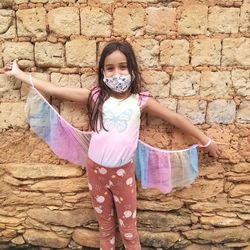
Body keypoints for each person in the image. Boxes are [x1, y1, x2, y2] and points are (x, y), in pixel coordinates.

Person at [4, 41, 222, 250]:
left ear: (132, 70)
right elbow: (55, 90)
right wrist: (19, 74)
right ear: (102, 73)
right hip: (95, 172)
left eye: (122, 67)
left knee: (129, 230)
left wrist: (206, 140)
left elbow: (175, 119)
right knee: (106, 228)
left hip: (123, 174)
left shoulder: (140, 101)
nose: (116, 73)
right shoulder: (96, 97)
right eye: (110, 68)